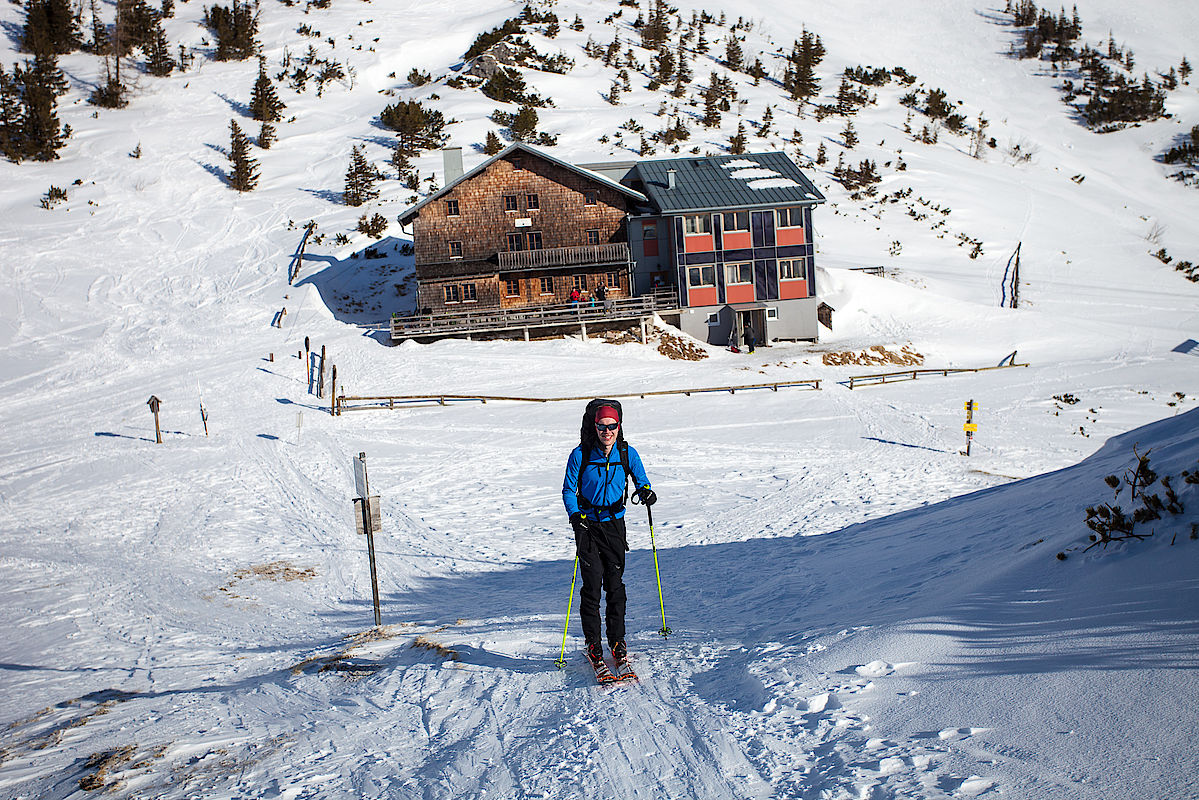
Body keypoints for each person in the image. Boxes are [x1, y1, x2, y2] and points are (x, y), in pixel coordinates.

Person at [562, 402, 656, 675]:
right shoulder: (580, 454)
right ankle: (594, 645)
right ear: (595, 426)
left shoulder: (627, 453)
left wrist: (647, 491)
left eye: (612, 426)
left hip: (615, 527)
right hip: (588, 527)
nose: (607, 431)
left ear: (618, 427)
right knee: (591, 587)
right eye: (602, 426)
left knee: (615, 586)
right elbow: (569, 489)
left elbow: (642, 480)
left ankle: (618, 642)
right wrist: (575, 517)